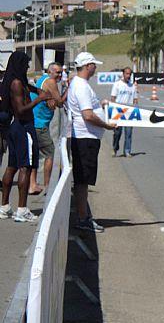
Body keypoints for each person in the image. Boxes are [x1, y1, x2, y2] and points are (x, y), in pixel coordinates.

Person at [0, 51, 51, 222]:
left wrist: (40, 91)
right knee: (25, 167)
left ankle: (5, 206)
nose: (28, 66)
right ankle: (21, 210)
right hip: (23, 128)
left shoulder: (18, 81)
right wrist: (39, 99)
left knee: (12, 166)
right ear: (19, 64)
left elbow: (32, 88)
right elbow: (21, 111)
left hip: (16, 129)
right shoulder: (16, 84)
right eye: (26, 64)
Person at [68, 52, 116, 232]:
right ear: (88, 66)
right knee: (82, 180)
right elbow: (87, 115)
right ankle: (83, 218)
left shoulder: (81, 85)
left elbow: (90, 108)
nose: (96, 67)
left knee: (83, 180)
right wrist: (107, 125)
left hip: (87, 138)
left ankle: (83, 216)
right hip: (85, 139)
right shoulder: (80, 86)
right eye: (94, 65)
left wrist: (101, 105)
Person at [29, 62, 68, 195]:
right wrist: (69, 89)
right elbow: (60, 103)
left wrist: (51, 99)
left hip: (35, 122)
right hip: (40, 125)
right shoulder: (51, 82)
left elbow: (36, 80)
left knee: (34, 154)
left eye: (61, 72)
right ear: (50, 72)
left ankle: (32, 184)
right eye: (57, 72)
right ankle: (48, 186)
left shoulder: (42, 78)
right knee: (50, 153)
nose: (59, 75)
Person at [110, 67, 138, 157]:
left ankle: (127, 151)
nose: (128, 76)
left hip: (129, 112)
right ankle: (115, 148)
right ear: (123, 74)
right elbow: (113, 98)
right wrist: (113, 113)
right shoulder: (117, 84)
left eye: (130, 74)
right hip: (119, 111)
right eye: (127, 74)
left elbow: (135, 99)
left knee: (128, 133)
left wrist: (136, 111)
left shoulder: (132, 86)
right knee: (117, 133)